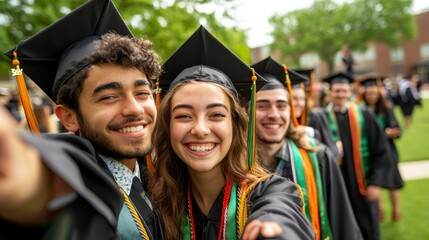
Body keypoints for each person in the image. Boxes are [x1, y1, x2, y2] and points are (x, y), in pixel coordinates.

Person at [4, 0, 163, 239]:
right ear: (69, 117)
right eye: (109, 97)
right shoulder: (75, 178)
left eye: (142, 93)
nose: (134, 108)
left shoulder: (154, 178)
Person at [150, 26, 314, 240]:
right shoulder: (156, 200)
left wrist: (272, 226)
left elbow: (281, 212)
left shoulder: (271, 191)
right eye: (183, 116)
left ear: (235, 126)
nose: (200, 129)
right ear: (167, 126)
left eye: (216, 115)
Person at [252, 57, 363, 240]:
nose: (274, 114)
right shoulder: (234, 164)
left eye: (282, 105)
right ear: (247, 110)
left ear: (291, 110)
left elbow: (343, 224)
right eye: (262, 106)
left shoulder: (319, 158)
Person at [308, 72, 392, 240]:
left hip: (362, 187)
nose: (341, 95)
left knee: (369, 228)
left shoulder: (365, 115)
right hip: (336, 188)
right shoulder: (320, 118)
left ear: (350, 92)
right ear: (330, 92)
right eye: (337, 91)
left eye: (345, 91)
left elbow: (381, 149)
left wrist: (375, 183)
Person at [360, 76, 404, 222]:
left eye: (374, 93)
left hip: (388, 151)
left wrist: (388, 133)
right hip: (371, 152)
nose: (372, 96)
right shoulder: (361, 110)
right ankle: (379, 209)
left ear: (379, 94)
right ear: (364, 95)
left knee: (392, 182)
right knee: (375, 180)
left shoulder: (387, 107)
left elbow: (397, 130)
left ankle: (396, 210)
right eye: (369, 94)